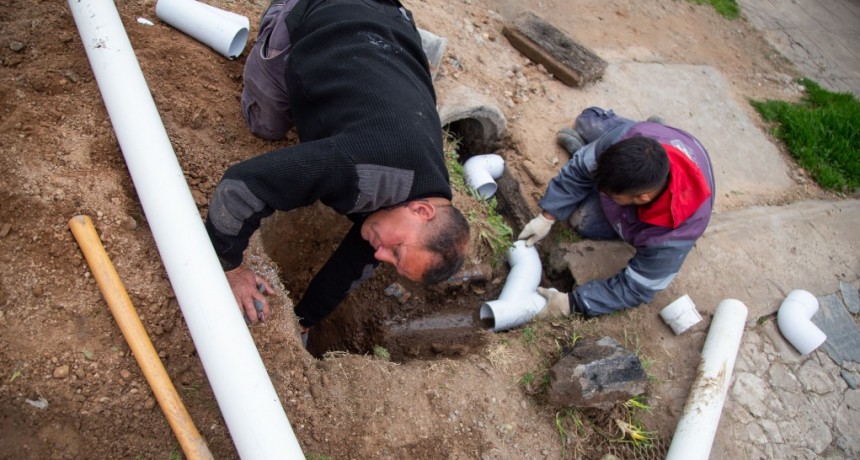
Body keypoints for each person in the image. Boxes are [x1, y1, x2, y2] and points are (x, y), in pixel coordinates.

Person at [204, 0, 470, 332]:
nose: (382, 255)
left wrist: (304, 322)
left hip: (388, 26)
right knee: (266, 125)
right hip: (321, 9)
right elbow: (242, 185)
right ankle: (282, 14)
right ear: (421, 211)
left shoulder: (428, 193)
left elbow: (352, 266)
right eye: (397, 252)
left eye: (394, 262)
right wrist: (229, 268)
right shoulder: (362, 168)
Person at [518, 107, 715, 318]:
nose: (602, 192)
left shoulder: (673, 235)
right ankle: (651, 129)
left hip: (658, 207)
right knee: (587, 120)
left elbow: (636, 288)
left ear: (642, 198)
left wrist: (572, 302)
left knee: (582, 219)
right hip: (655, 138)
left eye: (612, 194)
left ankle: (584, 152)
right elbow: (579, 171)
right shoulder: (625, 139)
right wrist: (547, 216)